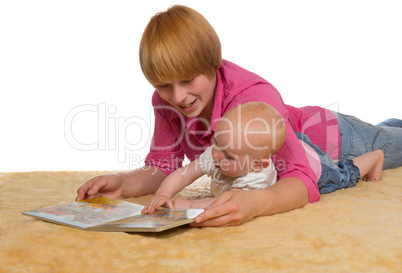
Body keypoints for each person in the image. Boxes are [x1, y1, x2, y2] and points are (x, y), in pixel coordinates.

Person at [76, 5, 402, 227]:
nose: (177, 97)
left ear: (212, 64)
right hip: (312, 131)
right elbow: (163, 168)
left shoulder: (252, 97)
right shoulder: (166, 102)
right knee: (388, 128)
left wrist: (253, 204)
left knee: (391, 142)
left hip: (329, 141)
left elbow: (301, 180)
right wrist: (125, 183)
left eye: (188, 80)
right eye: (163, 85)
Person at [142, 102, 286, 213]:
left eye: (229, 156)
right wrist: (162, 194)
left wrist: (190, 205)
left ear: (257, 165)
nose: (216, 155)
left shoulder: (255, 178)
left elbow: (227, 202)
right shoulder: (219, 151)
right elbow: (185, 174)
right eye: (216, 142)